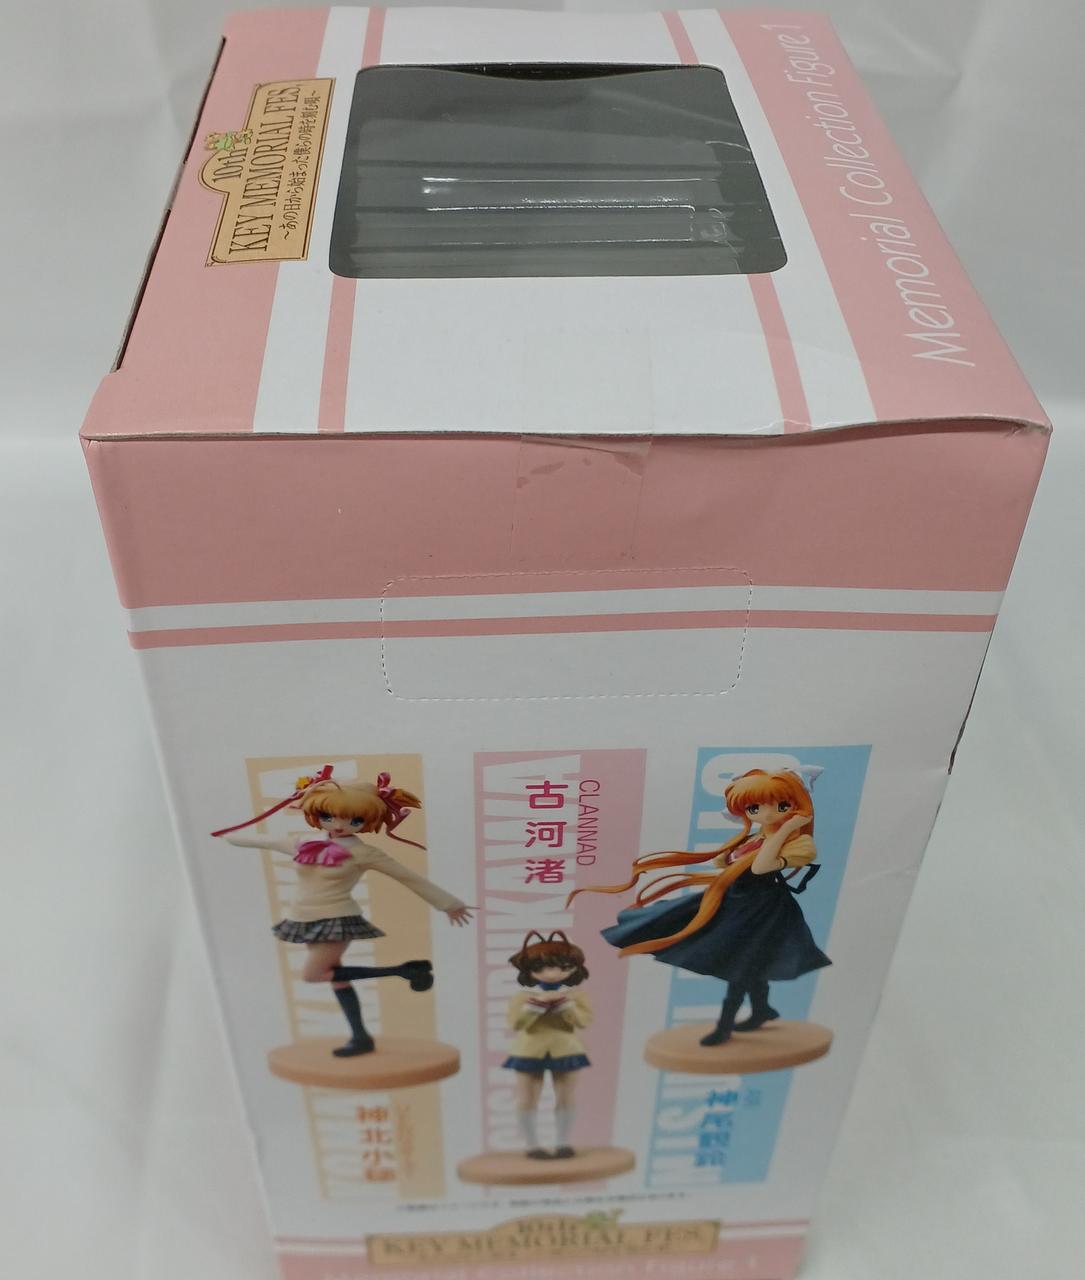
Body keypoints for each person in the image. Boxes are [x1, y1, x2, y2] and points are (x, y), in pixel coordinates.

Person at [213, 767, 473, 1057]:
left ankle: (403, 971)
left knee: (313, 975)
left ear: (367, 821)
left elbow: (407, 876)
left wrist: (449, 903)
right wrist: (225, 836)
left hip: (335, 919)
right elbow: (264, 841)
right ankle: (361, 1037)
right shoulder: (303, 844)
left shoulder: (364, 853)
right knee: (337, 976)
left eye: (354, 820)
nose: (338, 825)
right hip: (303, 918)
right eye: (329, 816)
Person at [570, 769, 829, 1046]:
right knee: (739, 956)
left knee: (743, 963)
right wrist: (744, 847)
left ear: (797, 807)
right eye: (754, 808)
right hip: (733, 899)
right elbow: (722, 862)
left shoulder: (800, 843)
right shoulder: (752, 838)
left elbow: (761, 866)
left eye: (781, 806)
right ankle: (762, 1009)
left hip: (764, 909)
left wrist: (786, 829)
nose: (766, 815)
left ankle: (725, 1027)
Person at [504, 931, 593, 1159]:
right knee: (527, 1098)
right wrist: (536, 1006)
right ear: (529, 970)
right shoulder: (522, 996)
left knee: (566, 1097)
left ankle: (563, 1142)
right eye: (541, 968)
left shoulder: (576, 995)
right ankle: (532, 1145)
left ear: (573, 968)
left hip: (566, 1049)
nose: (552, 973)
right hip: (528, 1050)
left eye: (562, 967)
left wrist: (566, 1006)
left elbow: (584, 1022)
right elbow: (515, 1023)